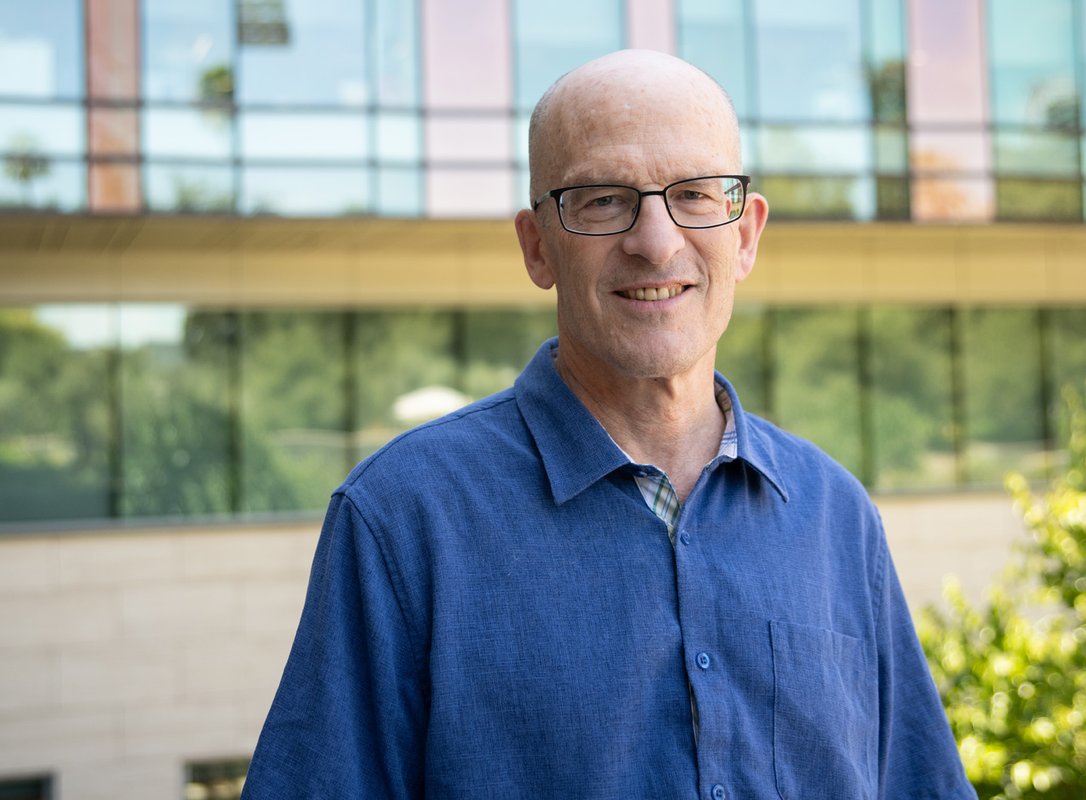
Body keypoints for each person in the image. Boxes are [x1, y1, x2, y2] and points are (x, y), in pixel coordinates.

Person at [241, 50, 976, 799]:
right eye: (601, 201)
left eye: (694, 194)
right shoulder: (402, 518)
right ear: (537, 247)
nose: (656, 243)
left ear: (746, 234)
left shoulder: (836, 516)